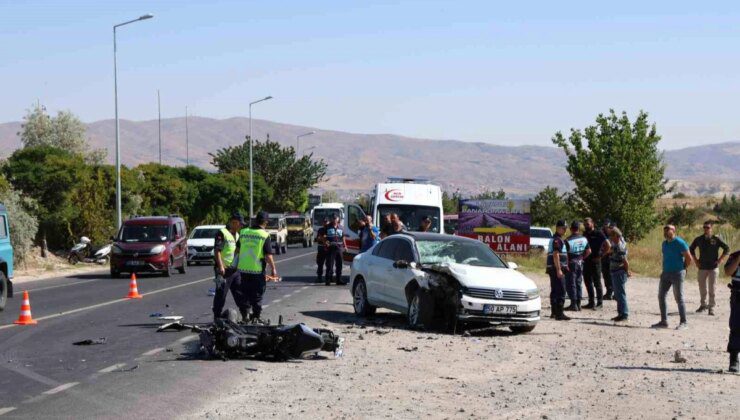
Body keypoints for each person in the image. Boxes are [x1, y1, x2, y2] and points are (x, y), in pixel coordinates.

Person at [232, 211, 278, 322]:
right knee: (257, 294)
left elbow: (237, 250)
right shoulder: (264, 235)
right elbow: (268, 255)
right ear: (266, 222)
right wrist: (273, 269)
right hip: (257, 271)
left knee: (245, 293)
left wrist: (236, 264)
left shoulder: (243, 232)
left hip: (243, 270)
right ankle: (257, 316)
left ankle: (245, 315)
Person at [652, 224, 693, 330]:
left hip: (677, 273)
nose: (666, 232)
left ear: (674, 231)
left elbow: (689, 258)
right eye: (665, 230)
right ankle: (664, 321)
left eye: (668, 230)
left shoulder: (680, 242)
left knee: (679, 298)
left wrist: (683, 268)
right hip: (666, 273)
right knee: (661, 296)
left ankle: (684, 322)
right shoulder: (664, 244)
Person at [689, 221, 730, 316]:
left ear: (711, 228)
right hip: (702, 266)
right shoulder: (699, 239)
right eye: (704, 227)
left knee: (712, 288)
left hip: (713, 267)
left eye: (707, 227)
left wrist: (720, 260)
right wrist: (696, 261)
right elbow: (691, 249)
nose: (705, 229)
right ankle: (703, 305)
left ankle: (711, 307)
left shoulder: (716, 239)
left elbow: (727, 248)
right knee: (702, 287)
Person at [212, 213, 245, 320]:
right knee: (221, 294)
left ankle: (245, 315)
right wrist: (220, 267)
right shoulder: (222, 233)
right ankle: (217, 316)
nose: (241, 227)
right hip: (223, 270)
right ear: (234, 222)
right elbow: (217, 251)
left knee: (240, 293)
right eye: (240, 224)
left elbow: (237, 251)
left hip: (235, 270)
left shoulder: (238, 235)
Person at [583, 217, 611, 310]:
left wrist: (601, 256)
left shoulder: (599, 233)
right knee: (587, 282)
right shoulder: (585, 234)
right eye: (585, 224)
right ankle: (591, 302)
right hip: (586, 261)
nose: (586, 226)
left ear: (592, 224)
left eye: (588, 224)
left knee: (597, 283)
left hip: (596, 261)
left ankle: (599, 303)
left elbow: (608, 245)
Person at [547, 220, 571, 321]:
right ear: (558, 228)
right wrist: (559, 269)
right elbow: (556, 255)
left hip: (554, 268)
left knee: (555, 290)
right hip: (557, 268)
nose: (565, 230)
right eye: (563, 228)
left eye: (566, 228)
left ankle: (554, 312)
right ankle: (559, 313)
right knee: (561, 290)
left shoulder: (557, 239)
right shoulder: (557, 240)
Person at [565, 221, 591, 311]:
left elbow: (566, 255)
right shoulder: (584, 239)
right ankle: (579, 304)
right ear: (579, 229)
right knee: (579, 283)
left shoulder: (567, 240)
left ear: (571, 229)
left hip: (571, 263)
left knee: (571, 283)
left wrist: (566, 265)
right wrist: (582, 258)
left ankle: (573, 304)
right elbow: (589, 251)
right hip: (580, 262)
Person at [608, 227, 631, 322]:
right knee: (617, 294)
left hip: (619, 272)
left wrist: (626, 271)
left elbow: (625, 262)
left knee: (620, 294)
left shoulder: (620, 246)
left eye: (612, 235)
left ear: (616, 236)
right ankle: (620, 313)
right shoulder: (615, 244)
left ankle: (624, 314)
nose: (610, 238)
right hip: (614, 271)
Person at [724, 250, 740, 372]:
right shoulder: (735, 255)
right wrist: (738, 259)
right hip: (738, 295)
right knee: (736, 327)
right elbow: (727, 272)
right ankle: (734, 359)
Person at [324, 215, 346, 285]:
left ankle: (338, 280)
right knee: (330, 264)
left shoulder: (341, 227)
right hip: (331, 247)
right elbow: (324, 236)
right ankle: (328, 280)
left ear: (338, 219)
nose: (334, 220)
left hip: (339, 247)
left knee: (339, 264)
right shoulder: (327, 227)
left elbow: (343, 237)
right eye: (333, 218)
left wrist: (345, 246)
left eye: (335, 218)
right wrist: (325, 242)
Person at [601, 219, 615, 300]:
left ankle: (614, 293)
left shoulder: (614, 234)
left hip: (612, 257)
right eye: (605, 226)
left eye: (608, 227)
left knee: (612, 275)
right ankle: (609, 292)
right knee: (606, 276)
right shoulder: (603, 234)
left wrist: (605, 253)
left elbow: (613, 248)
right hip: (605, 258)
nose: (606, 228)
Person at [315, 218, 330, 283]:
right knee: (320, 263)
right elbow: (318, 238)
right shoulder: (320, 230)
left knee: (329, 264)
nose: (326, 223)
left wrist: (325, 238)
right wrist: (322, 238)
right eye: (324, 222)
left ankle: (329, 277)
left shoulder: (330, 229)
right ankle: (319, 277)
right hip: (321, 248)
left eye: (327, 222)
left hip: (329, 248)